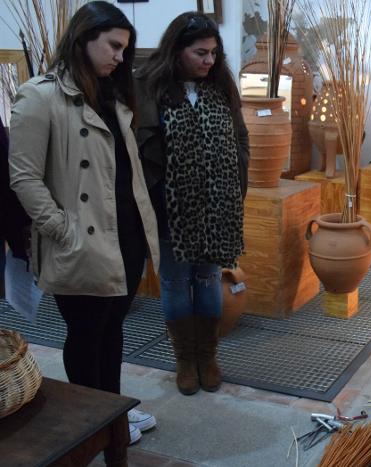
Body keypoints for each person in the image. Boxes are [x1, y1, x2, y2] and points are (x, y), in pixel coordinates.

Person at [9, 1, 160, 445]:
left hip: (125, 235)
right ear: (84, 37)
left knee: (113, 331)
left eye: (124, 49)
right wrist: (63, 230)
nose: (119, 56)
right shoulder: (39, 96)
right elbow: (24, 176)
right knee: (86, 334)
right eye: (113, 46)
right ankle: (87, 427)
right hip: (82, 239)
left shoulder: (112, 95)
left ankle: (109, 417)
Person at [135, 12, 248, 396]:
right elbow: (143, 149)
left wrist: (236, 189)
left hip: (218, 206)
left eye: (214, 53)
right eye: (200, 52)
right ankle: (184, 359)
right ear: (177, 50)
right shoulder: (151, 88)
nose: (208, 61)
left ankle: (208, 356)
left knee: (208, 278)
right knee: (176, 281)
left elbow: (241, 139)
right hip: (172, 209)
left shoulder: (222, 88)